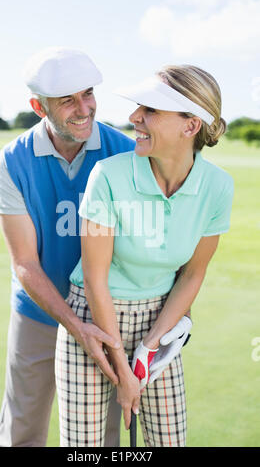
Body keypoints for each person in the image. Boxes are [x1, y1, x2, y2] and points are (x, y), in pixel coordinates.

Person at [55, 64, 234, 447]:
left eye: (150, 109)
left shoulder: (218, 187)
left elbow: (192, 275)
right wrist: (122, 365)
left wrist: (150, 346)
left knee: (170, 442)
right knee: (83, 450)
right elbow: (94, 276)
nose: (134, 117)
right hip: (93, 321)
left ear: (191, 126)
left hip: (160, 318)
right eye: (139, 107)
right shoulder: (108, 175)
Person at [0, 46, 137, 447]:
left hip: (108, 315)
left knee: (102, 436)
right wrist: (75, 326)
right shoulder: (12, 161)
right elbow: (24, 262)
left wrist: (102, 325)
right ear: (39, 107)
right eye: (67, 100)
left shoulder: (125, 153)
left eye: (88, 93)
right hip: (37, 310)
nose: (84, 108)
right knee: (21, 427)